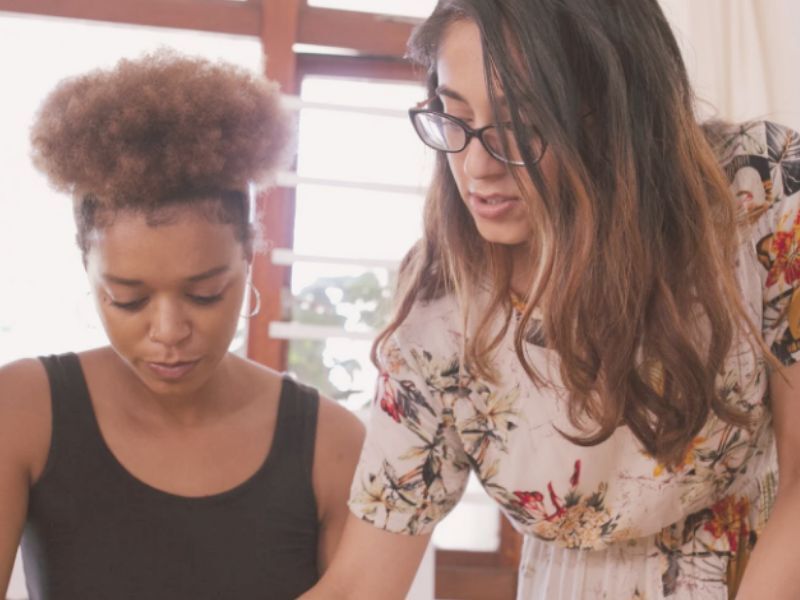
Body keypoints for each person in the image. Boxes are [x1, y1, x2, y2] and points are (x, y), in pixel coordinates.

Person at [301, 1, 800, 598]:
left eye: (522, 127)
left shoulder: (759, 189)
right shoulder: (440, 305)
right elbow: (362, 581)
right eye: (452, 118)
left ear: (618, 114)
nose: (476, 166)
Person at [0, 50, 364, 600]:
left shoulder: (331, 447)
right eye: (128, 299)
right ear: (88, 270)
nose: (168, 331)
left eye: (205, 294)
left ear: (248, 258)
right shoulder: (23, 412)